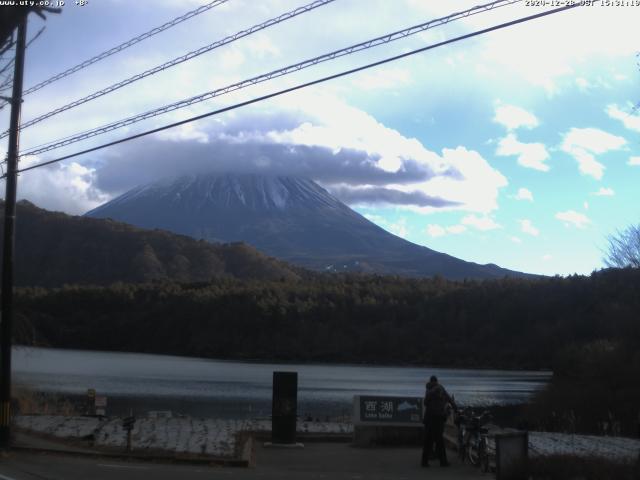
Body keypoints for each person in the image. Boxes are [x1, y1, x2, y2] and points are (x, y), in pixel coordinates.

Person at [422, 375, 457, 467]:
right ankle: (443, 462)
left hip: (429, 418)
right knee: (439, 441)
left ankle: (424, 462)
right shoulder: (440, 388)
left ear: (430, 381)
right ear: (437, 381)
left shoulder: (428, 390)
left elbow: (425, 403)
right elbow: (450, 400)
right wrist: (456, 409)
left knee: (428, 441)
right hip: (438, 418)